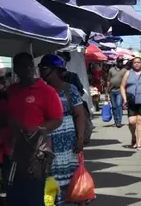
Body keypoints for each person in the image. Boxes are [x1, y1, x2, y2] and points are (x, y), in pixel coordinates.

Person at [0, 53, 63, 206]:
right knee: (13, 196)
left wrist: (39, 128)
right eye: (23, 66)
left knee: (33, 196)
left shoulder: (46, 91)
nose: (27, 69)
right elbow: (0, 115)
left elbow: (57, 119)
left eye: (30, 66)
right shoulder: (10, 92)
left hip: (36, 153)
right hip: (12, 152)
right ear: (16, 70)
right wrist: (7, 119)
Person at [38, 55, 86, 204]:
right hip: (48, 140)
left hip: (69, 141)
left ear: (55, 71)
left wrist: (80, 139)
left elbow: (79, 115)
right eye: (40, 68)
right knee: (50, 174)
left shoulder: (69, 89)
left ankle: (79, 198)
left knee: (74, 176)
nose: (40, 71)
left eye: (44, 68)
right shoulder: (40, 90)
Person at [106, 60, 127, 128]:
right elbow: (108, 80)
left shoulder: (124, 70)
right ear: (117, 62)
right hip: (112, 90)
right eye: (119, 62)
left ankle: (119, 121)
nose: (120, 63)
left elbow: (127, 80)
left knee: (119, 105)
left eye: (121, 62)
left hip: (119, 90)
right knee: (114, 106)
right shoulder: (111, 70)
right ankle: (115, 121)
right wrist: (107, 91)